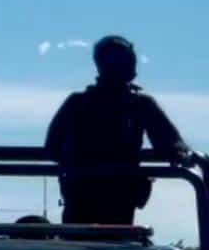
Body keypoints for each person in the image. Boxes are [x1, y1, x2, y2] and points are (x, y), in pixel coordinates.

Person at [44, 36, 190, 225]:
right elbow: (52, 148)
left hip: (119, 198)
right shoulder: (78, 103)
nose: (122, 67)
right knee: (81, 245)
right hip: (82, 194)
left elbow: (170, 141)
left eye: (125, 61)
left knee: (112, 245)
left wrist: (179, 152)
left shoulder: (140, 105)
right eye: (115, 61)